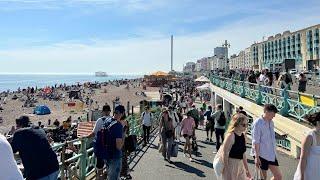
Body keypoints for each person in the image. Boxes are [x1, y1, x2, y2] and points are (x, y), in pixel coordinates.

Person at [11, 116, 59, 180]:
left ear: (19, 125)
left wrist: (14, 134)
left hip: (38, 173)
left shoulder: (19, 133)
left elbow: (11, 150)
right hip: (54, 167)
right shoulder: (39, 129)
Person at [251, 104, 282, 180]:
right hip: (261, 154)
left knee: (278, 176)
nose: (274, 116)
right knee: (263, 177)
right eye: (273, 113)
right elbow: (255, 141)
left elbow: (270, 136)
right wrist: (257, 157)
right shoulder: (258, 123)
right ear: (266, 111)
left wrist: (280, 137)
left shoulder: (271, 122)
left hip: (271, 154)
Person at [219, 113, 251, 180]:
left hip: (240, 164)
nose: (246, 127)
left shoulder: (243, 136)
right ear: (236, 124)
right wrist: (227, 171)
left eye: (247, 124)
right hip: (231, 164)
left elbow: (243, 154)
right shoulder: (230, 136)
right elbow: (224, 154)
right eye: (243, 125)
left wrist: (247, 169)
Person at [87, 104, 112, 179]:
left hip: (100, 146)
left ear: (103, 112)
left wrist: (85, 137)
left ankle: (99, 177)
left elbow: (94, 133)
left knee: (99, 163)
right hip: (110, 146)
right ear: (109, 111)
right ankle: (107, 174)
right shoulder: (113, 120)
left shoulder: (100, 120)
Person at [294, 112, 320, 180]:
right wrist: (302, 176)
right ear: (318, 123)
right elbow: (303, 158)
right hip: (309, 172)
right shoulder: (310, 136)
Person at [104, 105, 125, 180]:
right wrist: (123, 135)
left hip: (106, 154)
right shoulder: (118, 126)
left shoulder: (107, 121)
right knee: (114, 177)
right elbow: (119, 146)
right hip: (115, 156)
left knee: (109, 176)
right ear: (122, 114)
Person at [120, 112, 131, 180]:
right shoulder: (126, 122)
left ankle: (125, 174)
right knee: (123, 159)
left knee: (122, 159)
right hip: (122, 143)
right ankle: (126, 173)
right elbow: (128, 133)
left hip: (122, 144)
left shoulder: (118, 122)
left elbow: (127, 133)